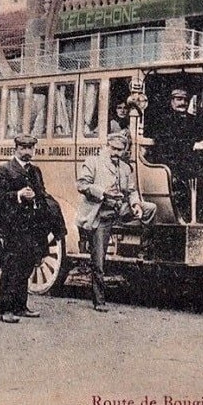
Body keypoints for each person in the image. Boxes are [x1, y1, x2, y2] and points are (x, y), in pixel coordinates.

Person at [0, 134, 68, 323]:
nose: (27, 152)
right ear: (15, 148)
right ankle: (5, 310)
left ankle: (20, 306)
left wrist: (38, 198)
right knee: (11, 267)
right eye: (23, 148)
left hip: (33, 226)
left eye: (30, 148)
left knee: (27, 266)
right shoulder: (4, 170)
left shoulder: (35, 171)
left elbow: (41, 193)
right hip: (14, 226)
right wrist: (18, 194)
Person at [76, 132, 155, 312]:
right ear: (106, 146)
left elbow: (132, 191)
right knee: (98, 259)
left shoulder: (126, 168)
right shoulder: (93, 162)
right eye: (113, 149)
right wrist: (102, 193)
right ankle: (99, 300)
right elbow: (81, 185)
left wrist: (135, 204)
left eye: (120, 150)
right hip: (100, 213)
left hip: (120, 210)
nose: (116, 153)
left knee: (150, 208)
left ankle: (144, 249)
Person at [148, 86, 203, 222]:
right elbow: (166, 143)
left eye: (185, 99)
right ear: (171, 101)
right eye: (179, 99)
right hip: (169, 161)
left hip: (189, 160)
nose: (183, 103)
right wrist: (193, 145)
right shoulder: (162, 120)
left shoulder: (192, 120)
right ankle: (195, 215)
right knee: (195, 173)